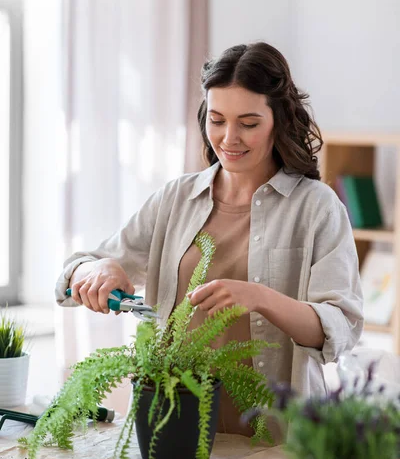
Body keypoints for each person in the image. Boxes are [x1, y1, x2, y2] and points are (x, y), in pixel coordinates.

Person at [56, 42, 363, 435]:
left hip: (276, 438)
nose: (229, 138)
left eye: (248, 123)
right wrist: (96, 267)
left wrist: (259, 297)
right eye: (217, 120)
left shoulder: (317, 207)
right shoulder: (176, 198)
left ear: (279, 120)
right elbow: (69, 279)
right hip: (172, 430)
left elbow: (339, 330)